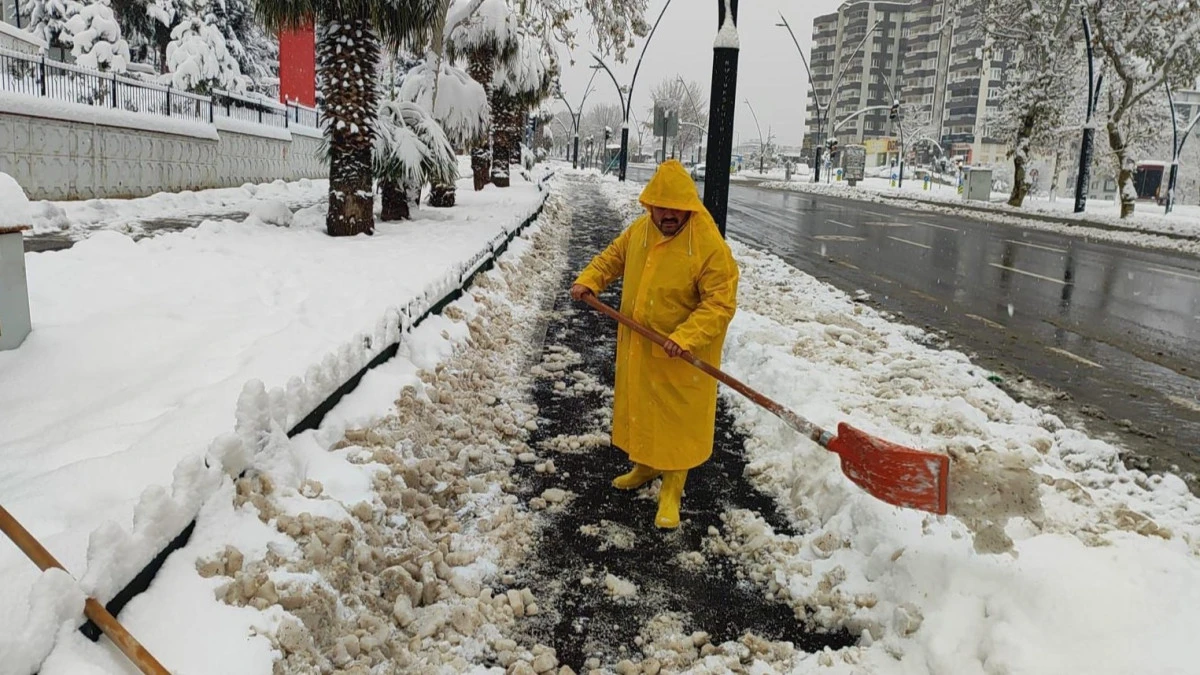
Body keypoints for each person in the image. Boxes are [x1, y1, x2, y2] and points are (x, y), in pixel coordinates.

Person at [570, 160, 739, 529]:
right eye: (660, 207)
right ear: (650, 206)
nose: (667, 215)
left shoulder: (708, 246)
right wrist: (590, 279)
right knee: (644, 410)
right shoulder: (641, 231)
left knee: (676, 423)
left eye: (675, 209)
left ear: (688, 207)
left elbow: (720, 303)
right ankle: (644, 466)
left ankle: (672, 492)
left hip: (680, 354)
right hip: (640, 345)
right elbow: (613, 257)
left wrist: (685, 337)